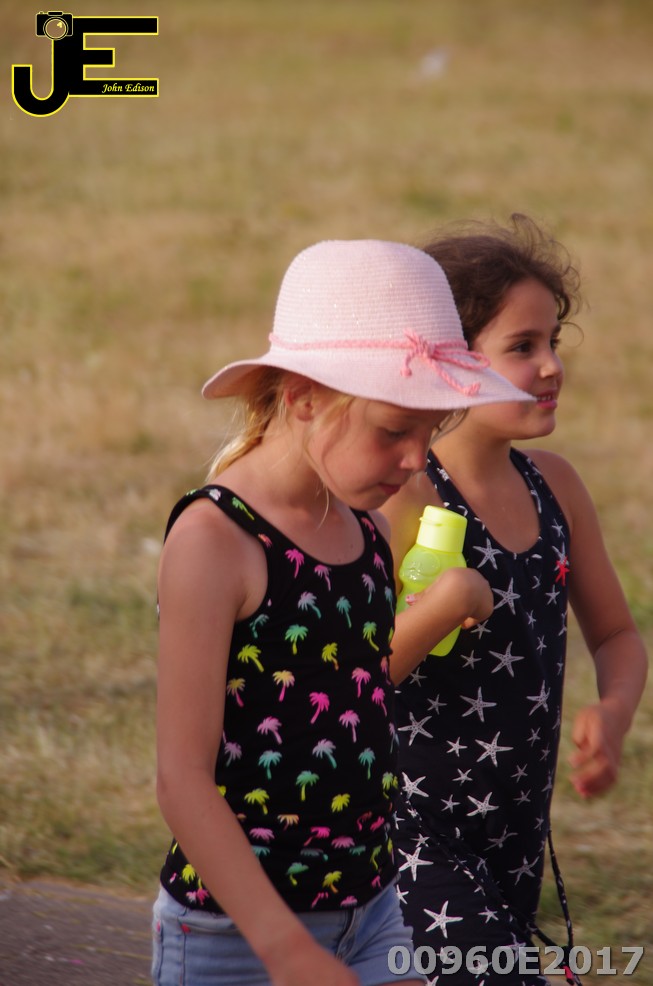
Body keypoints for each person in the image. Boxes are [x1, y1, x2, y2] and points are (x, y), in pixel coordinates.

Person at [151, 238, 530, 986]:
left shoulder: (368, 531)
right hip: (235, 934)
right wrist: (284, 947)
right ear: (303, 399)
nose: (416, 460)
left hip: (373, 910)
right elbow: (180, 779)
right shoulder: (215, 541)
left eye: (431, 432)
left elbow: (356, 692)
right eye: (394, 430)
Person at [381, 215, 648, 985]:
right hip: (412, 838)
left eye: (552, 341)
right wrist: (442, 606)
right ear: (446, 361)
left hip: (514, 839)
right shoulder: (405, 495)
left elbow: (617, 636)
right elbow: (363, 674)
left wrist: (613, 713)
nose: (551, 366)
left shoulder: (555, 487)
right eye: (522, 346)